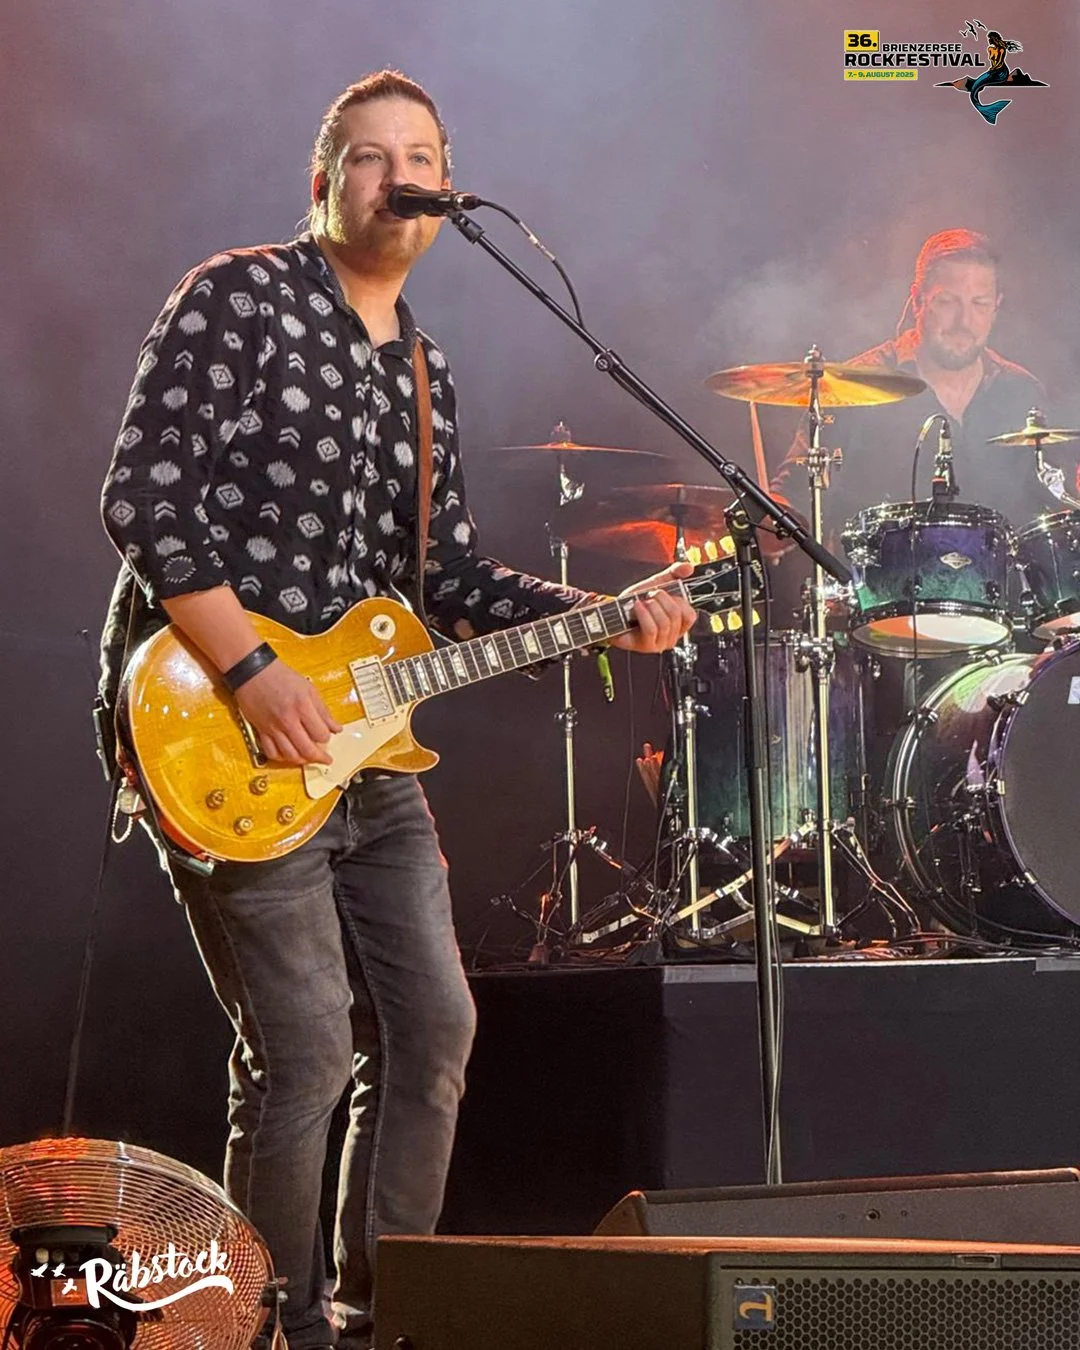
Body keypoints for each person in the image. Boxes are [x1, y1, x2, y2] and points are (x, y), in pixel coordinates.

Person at [97, 71, 696, 1350]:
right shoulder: (240, 296)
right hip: (217, 718)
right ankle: (273, 1328)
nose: (397, 175)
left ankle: (386, 1317)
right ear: (324, 182)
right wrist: (257, 674)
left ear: (445, 188)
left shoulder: (426, 370)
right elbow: (146, 496)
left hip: (364, 749)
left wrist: (606, 612)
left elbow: (449, 580)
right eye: (369, 156)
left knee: (435, 1027)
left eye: (420, 155)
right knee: (305, 1053)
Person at [773, 227, 1054, 557]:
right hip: (882, 600)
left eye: (980, 304)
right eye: (947, 302)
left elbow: (1055, 501)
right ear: (918, 300)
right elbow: (791, 497)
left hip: (1004, 601)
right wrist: (773, 519)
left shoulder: (1020, 392)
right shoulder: (854, 390)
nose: (964, 320)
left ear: (996, 306)